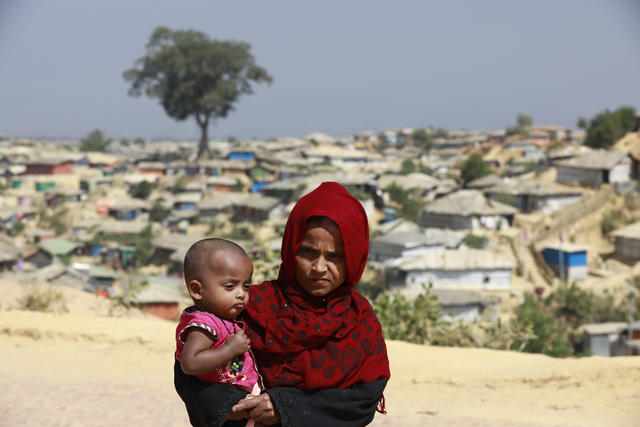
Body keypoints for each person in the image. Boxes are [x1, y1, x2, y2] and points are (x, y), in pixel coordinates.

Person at [175, 182, 390, 426]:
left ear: (354, 258)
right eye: (308, 252)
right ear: (290, 248)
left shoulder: (359, 320)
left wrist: (283, 406)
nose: (319, 268)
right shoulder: (246, 306)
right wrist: (232, 403)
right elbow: (188, 371)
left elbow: (362, 400)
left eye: (335, 256)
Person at [175, 238, 262, 427]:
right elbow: (190, 363)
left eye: (245, 286)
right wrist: (230, 350)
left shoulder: (227, 318)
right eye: (230, 286)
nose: (241, 294)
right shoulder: (203, 324)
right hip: (220, 405)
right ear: (197, 290)